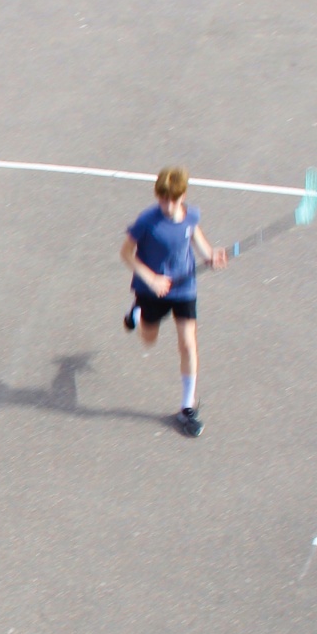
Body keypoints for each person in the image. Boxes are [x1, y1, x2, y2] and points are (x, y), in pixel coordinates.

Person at [121, 166, 225, 438]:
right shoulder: (147, 221)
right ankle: (138, 311)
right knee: (148, 339)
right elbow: (126, 253)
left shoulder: (190, 215)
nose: (167, 205)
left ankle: (186, 407)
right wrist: (152, 278)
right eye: (162, 199)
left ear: (183, 196)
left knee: (188, 343)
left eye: (173, 200)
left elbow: (195, 237)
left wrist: (210, 255)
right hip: (152, 290)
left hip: (184, 288)